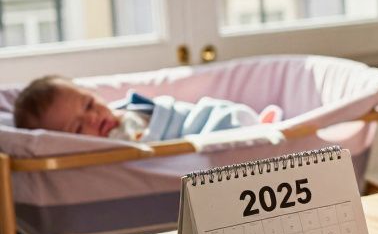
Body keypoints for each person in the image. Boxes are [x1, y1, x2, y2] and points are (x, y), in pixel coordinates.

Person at [13, 75, 281, 141]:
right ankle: (256, 127)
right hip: (195, 133)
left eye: (89, 104)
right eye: (79, 127)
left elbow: (168, 113)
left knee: (217, 113)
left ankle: (256, 124)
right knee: (225, 131)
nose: (94, 118)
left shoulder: (124, 110)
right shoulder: (115, 141)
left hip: (192, 119)